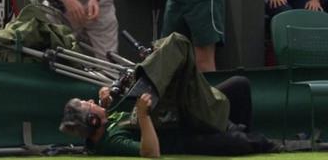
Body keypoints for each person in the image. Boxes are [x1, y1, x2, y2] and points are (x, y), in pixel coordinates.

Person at [60, 33, 277, 157]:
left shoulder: (106, 120)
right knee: (244, 143)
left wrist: (106, 92)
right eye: (87, 104)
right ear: (92, 120)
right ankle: (244, 136)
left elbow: (113, 103)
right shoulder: (111, 141)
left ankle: (233, 129)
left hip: (178, 111)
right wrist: (143, 117)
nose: (90, 101)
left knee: (239, 85)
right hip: (184, 135)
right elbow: (151, 152)